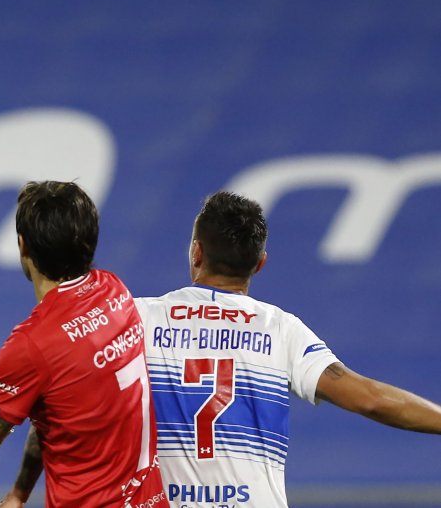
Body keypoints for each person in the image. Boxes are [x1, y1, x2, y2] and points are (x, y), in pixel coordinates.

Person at [134, 191, 441, 508]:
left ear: (196, 252)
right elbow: (371, 400)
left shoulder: (137, 318)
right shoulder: (280, 329)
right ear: (260, 263)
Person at [0, 181, 167, 508]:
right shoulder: (115, 293)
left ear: (23, 246)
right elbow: (59, 406)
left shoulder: (34, 344)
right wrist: (19, 494)